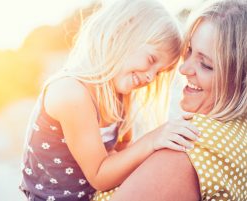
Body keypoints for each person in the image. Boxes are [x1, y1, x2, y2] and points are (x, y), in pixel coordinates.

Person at [19, 0, 201, 200]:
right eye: (151, 60)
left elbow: (121, 153)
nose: (150, 77)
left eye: (158, 73)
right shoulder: (71, 93)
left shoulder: (120, 95)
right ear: (120, 34)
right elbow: (100, 175)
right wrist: (153, 139)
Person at [109, 0, 247, 200]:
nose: (183, 69)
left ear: (241, 80)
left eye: (206, 65)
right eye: (189, 51)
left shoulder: (189, 142)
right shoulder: (239, 131)